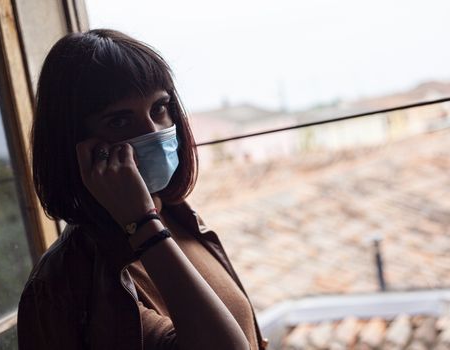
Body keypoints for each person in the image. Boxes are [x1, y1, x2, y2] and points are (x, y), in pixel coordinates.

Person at [17, 29, 268, 350]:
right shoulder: (67, 286)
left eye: (159, 108)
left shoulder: (179, 220)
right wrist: (140, 222)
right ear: (77, 146)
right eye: (120, 121)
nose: (152, 131)